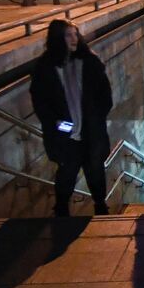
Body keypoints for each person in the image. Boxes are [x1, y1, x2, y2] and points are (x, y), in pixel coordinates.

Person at [28, 20, 114, 216]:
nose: (74, 39)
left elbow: (105, 95)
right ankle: (62, 208)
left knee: (95, 170)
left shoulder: (90, 62)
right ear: (58, 39)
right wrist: (57, 124)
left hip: (91, 130)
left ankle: (100, 205)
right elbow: (40, 101)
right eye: (68, 35)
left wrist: (96, 117)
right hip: (66, 133)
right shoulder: (46, 67)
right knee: (67, 171)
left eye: (76, 34)